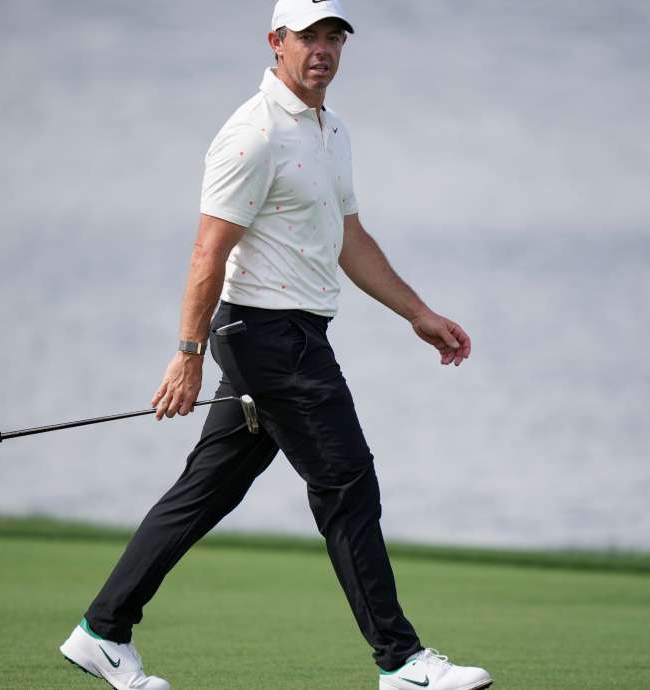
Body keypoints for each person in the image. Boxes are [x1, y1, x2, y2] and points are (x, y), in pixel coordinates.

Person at [59, 2, 492, 688]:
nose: (322, 50)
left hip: (286, 332)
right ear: (276, 43)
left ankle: (103, 631)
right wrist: (187, 352)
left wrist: (417, 312)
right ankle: (401, 663)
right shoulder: (252, 134)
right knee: (347, 483)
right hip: (267, 334)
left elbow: (349, 236)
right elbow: (208, 253)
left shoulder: (330, 130)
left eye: (333, 37)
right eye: (307, 37)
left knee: (208, 489)